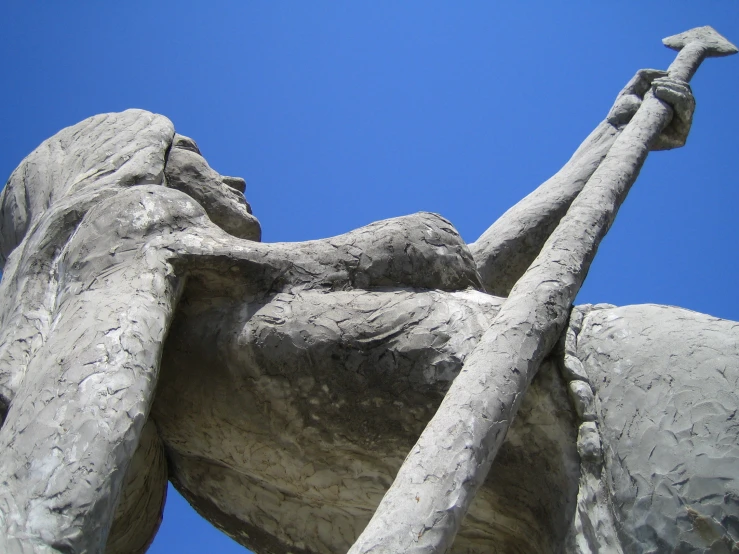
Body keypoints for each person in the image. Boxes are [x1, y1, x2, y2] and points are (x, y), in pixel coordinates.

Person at [0, 71, 695, 553]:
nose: (234, 178)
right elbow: (77, 424)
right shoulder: (140, 222)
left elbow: (482, 281)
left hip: (579, 402)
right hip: (595, 410)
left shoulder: (240, 308)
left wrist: (606, 138)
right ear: (128, 164)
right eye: (189, 151)